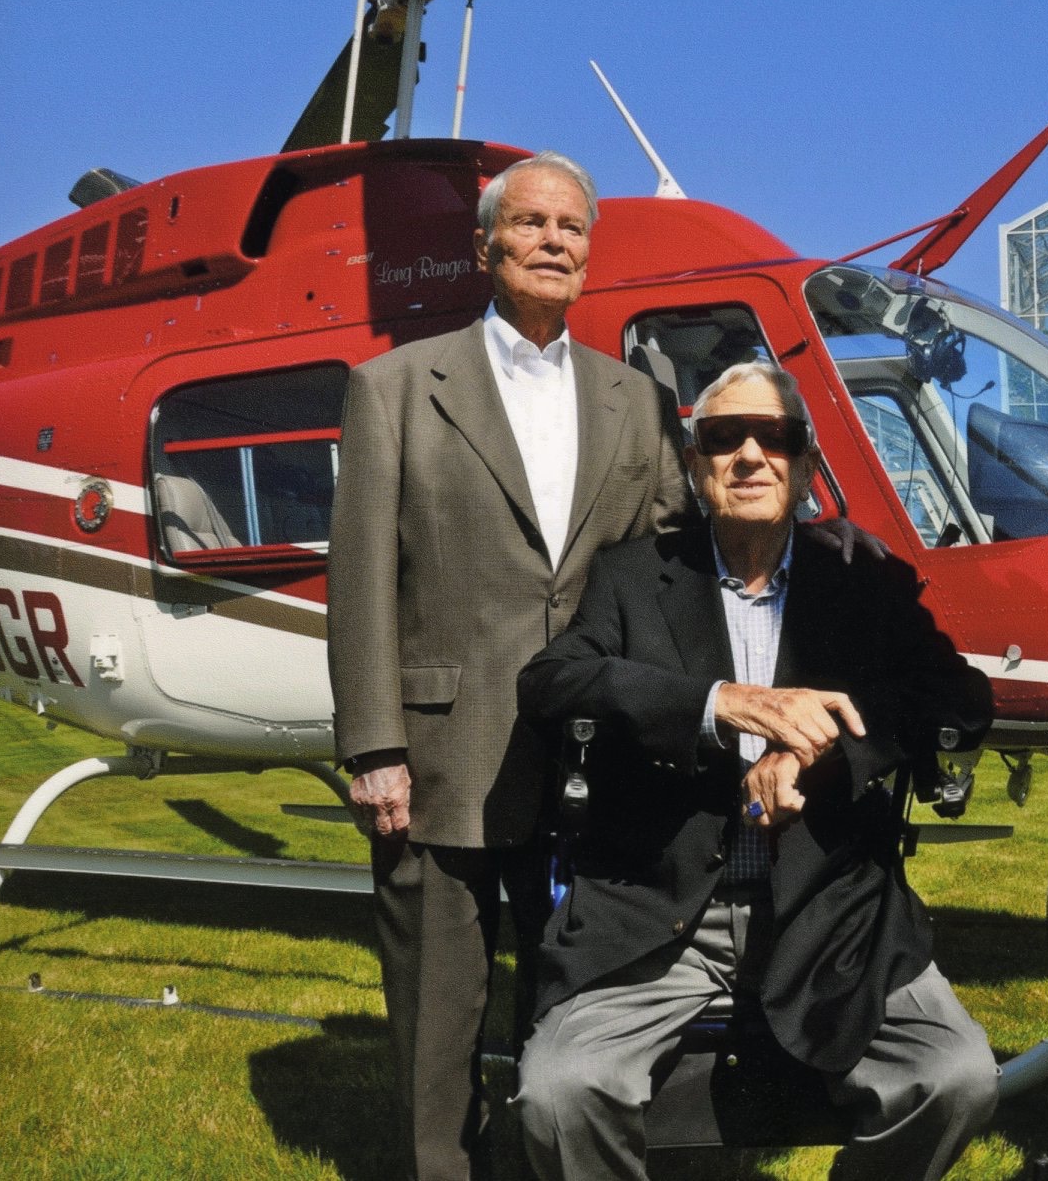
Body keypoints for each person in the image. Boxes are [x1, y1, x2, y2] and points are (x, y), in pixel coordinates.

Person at [328, 152, 876, 1179]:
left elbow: (681, 550)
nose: (552, 242)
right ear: (482, 245)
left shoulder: (633, 398)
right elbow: (357, 579)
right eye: (530, 224)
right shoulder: (395, 386)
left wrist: (823, 557)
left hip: (596, 755)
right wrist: (373, 744)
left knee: (570, 995)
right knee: (440, 1005)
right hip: (443, 749)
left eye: (571, 228)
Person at [513, 362, 998, 1181]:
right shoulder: (635, 575)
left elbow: (957, 695)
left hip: (831, 915)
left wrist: (820, 749)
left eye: (774, 436)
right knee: (559, 1093)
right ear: (696, 465)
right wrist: (718, 702)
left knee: (954, 1078)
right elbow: (551, 680)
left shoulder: (860, 580)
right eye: (723, 437)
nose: (749, 454)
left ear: (804, 464)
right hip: (660, 920)